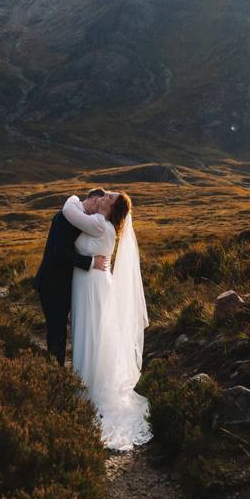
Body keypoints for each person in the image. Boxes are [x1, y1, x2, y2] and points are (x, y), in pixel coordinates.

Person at [61, 190, 152, 451]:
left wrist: (73, 198)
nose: (105, 194)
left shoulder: (100, 224)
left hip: (91, 286)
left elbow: (69, 211)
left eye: (110, 197)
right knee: (92, 334)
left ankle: (88, 389)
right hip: (93, 283)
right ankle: (86, 382)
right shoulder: (106, 226)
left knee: (90, 333)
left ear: (112, 209)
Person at [33, 189, 110, 367]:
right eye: (97, 205)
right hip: (53, 284)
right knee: (57, 330)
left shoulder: (78, 217)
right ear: (92, 199)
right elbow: (59, 252)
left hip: (66, 285)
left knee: (61, 330)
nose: (97, 210)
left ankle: (59, 372)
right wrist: (91, 262)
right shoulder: (67, 217)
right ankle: (55, 375)